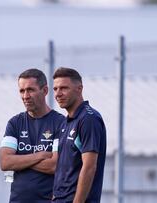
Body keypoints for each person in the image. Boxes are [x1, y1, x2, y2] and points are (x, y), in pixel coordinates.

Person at [0, 68, 65, 203]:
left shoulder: (60, 123)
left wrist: (18, 161)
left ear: (45, 91)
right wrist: (40, 155)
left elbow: (54, 165)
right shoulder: (14, 123)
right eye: (22, 91)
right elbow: (5, 162)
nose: (25, 96)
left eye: (30, 90)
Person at [52, 67, 106, 203]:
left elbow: (89, 167)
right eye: (55, 89)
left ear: (79, 89)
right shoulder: (65, 122)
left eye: (64, 88)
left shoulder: (89, 119)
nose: (58, 93)